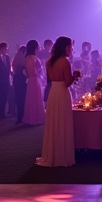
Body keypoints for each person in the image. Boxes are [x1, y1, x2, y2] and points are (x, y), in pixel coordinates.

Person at [37, 36, 79, 167]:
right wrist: (75, 76)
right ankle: (62, 155)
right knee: (63, 121)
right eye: (70, 47)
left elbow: (50, 79)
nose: (71, 49)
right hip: (62, 92)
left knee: (54, 122)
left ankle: (53, 153)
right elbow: (67, 83)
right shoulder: (65, 62)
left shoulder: (49, 62)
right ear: (64, 47)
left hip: (53, 92)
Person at [23, 40, 46, 125]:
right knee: (36, 97)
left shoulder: (27, 57)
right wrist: (38, 74)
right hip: (34, 79)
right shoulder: (32, 58)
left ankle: (32, 117)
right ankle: (36, 118)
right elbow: (33, 70)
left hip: (31, 79)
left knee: (32, 97)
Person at [12, 45, 28, 124]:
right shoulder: (23, 59)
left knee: (19, 99)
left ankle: (19, 116)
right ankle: (22, 116)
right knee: (22, 98)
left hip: (16, 79)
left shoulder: (15, 59)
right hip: (22, 79)